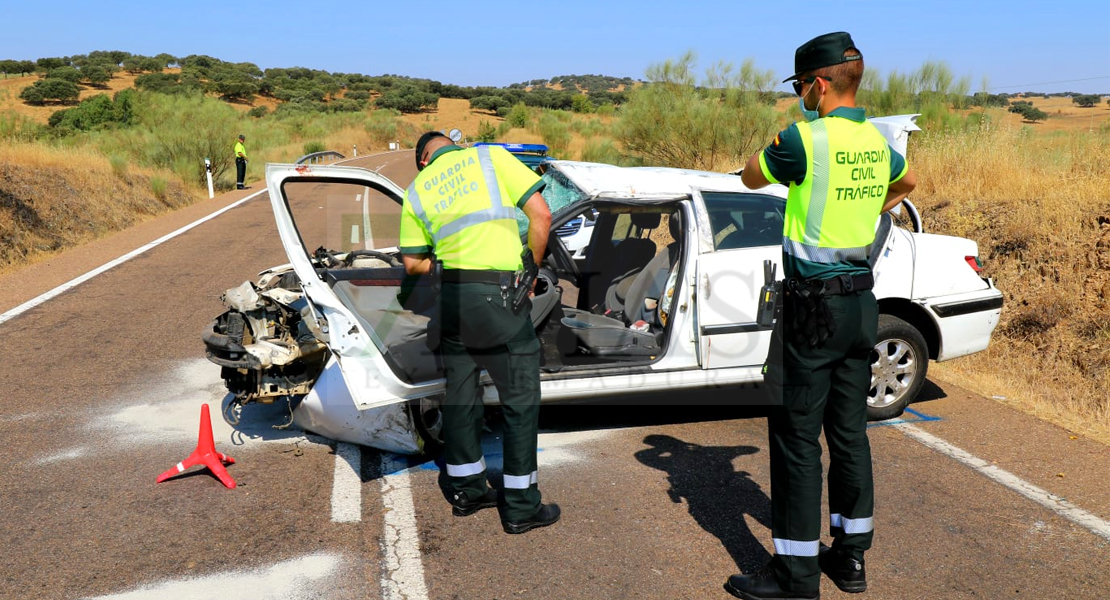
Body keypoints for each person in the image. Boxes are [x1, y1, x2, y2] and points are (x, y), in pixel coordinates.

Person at [724, 32, 917, 600]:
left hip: (813, 310)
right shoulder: (877, 143)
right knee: (850, 434)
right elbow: (906, 185)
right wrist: (860, 217)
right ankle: (851, 560)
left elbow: (750, 177)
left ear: (819, 82)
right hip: (862, 305)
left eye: (800, 84)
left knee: (796, 439)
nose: (799, 94)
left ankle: (795, 574)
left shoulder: (802, 138)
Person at [399, 131, 559, 534]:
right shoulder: (490, 158)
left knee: (461, 397)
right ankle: (521, 506)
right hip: (499, 296)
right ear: (457, 146)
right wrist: (532, 269)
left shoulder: (416, 190)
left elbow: (413, 266)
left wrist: (447, 265)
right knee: (520, 399)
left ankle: (468, 491)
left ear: (423, 161)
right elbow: (542, 216)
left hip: (452, 301)